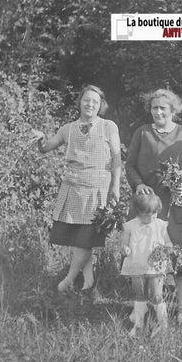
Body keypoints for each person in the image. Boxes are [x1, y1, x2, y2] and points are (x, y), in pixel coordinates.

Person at [125, 88, 182, 323]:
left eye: (163, 108)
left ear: (173, 110)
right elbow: (130, 166)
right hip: (148, 208)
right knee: (144, 256)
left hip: (178, 204)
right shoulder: (142, 133)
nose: (158, 112)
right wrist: (138, 185)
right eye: (154, 108)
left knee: (181, 255)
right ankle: (145, 306)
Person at [32, 84, 121, 293]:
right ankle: (89, 281)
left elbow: (117, 158)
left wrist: (116, 186)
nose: (90, 104)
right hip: (72, 188)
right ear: (80, 102)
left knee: (86, 237)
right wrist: (40, 139)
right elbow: (45, 148)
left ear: (101, 106)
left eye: (95, 102)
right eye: (86, 100)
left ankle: (68, 280)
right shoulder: (67, 129)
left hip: (97, 188)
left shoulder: (108, 126)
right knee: (79, 237)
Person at [120, 193, 172, 336]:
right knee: (139, 293)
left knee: (156, 294)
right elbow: (124, 242)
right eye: (146, 214)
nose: (151, 217)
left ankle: (163, 324)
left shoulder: (160, 225)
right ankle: (139, 324)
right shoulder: (130, 226)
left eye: (154, 213)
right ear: (138, 212)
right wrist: (125, 248)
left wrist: (168, 247)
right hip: (136, 263)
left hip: (155, 264)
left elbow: (167, 241)